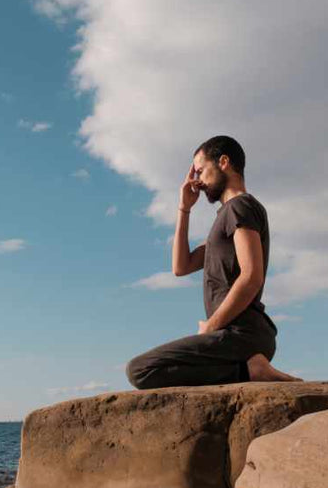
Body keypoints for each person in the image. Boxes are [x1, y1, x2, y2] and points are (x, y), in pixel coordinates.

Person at [126, 135, 301, 389]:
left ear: (224, 162)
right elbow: (181, 266)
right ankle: (249, 368)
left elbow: (252, 276)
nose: (197, 180)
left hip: (242, 333)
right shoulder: (228, 217)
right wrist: (184, 208)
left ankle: (250, 368)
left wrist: (211, 327)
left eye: (200, 170)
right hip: (238, 337)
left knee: (140, 370)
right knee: (146, 371)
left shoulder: (239, 207)